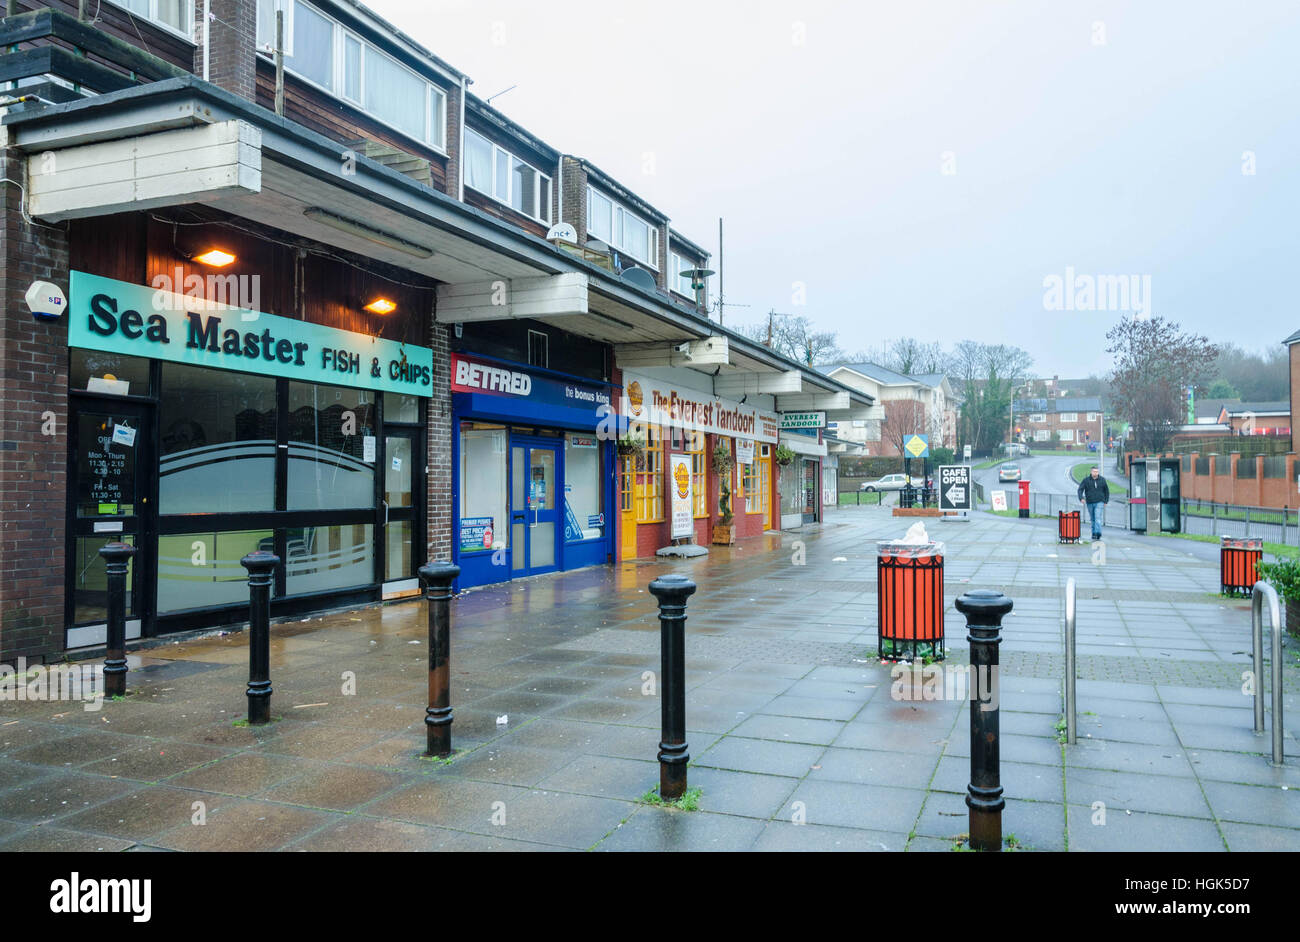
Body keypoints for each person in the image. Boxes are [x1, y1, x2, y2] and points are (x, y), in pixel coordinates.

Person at [1077, 465, 1110, 541]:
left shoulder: (1102, 480)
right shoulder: (1086, 480)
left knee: (1097, 517)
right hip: (1090, 502)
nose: (1096, 473)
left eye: (1097, 472)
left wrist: (1106, 501)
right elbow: (1080, 489)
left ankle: (1098, 532)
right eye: (1094, 471)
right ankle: (1093, 533)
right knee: (1093, 519)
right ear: (1091, 472)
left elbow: (1106, 491)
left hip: (1100, 501)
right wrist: (1081, 498)